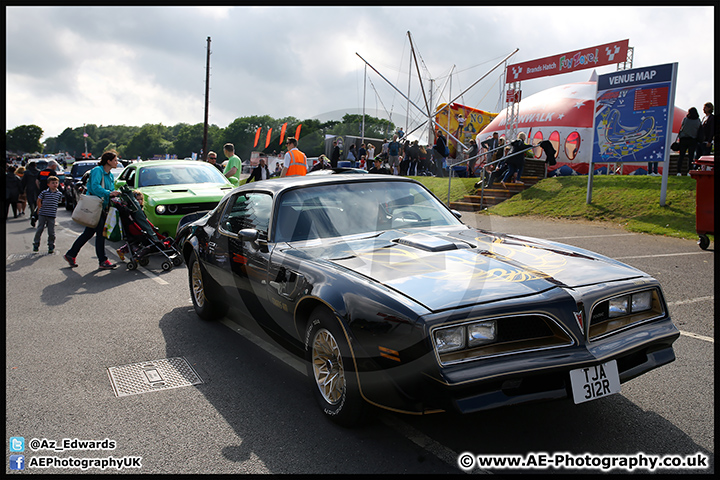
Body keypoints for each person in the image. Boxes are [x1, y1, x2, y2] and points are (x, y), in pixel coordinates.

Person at [63, 151, 122, 270]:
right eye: (115, 160)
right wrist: (109, 193)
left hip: (101, 207)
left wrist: (115, 195)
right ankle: (103, 260)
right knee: (100, 233)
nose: (117, 162)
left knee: (88, 233)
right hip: (95, 206)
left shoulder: (109, 174)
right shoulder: (97, 171)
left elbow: (111, 189)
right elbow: (95, 187)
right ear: (108, 161)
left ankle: (71, 254)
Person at [32, 175, 63, 253]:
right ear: (48, 184)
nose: (55, 184)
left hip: (52, 215)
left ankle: (51, 245)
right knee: (40, 229)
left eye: (56, 183)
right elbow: (39, 200)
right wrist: (39, 209)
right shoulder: (44, 192)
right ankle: (36, 244)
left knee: (51, 232)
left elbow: (59, 202)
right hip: (43, 213)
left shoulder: (59, 194)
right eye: (53, 183)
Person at [676, 107, 702, 176]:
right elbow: (698, 129)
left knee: (681, 156)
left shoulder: (686, 119)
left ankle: (678, 171)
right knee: (691, 156)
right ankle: (689, 171)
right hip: (693, 140)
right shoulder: (698, 120)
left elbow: (682, 126)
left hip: (683, 139)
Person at [22, 161, 41, 225]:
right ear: (35, 166)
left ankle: (32, 210)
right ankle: (35, 210)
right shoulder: (38, 172)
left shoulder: (26, 173)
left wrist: (22, 189)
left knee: (30, 200)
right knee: (37, 200)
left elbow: (23, 182)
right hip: (37, 188)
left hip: (29, 188)